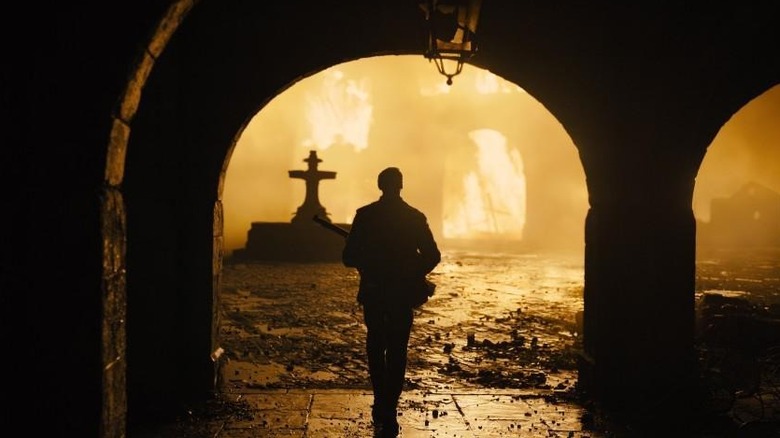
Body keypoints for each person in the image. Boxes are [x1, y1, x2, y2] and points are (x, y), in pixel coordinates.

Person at [342, 167, 441, 436]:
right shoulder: (414, 217)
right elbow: (433, 255)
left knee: (376, 346)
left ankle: (380, 401)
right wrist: (411, 271)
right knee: (398, 350)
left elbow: (348, 257)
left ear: (379, 185)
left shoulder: (365, 216)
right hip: (401, 293)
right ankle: (390, 406)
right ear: (401, 186)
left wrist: (371, 262)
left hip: (375, 290)